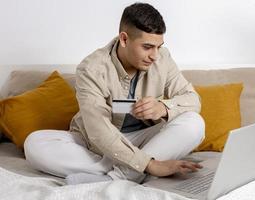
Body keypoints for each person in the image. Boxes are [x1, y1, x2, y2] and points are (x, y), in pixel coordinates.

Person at [24, 2, 205, 184]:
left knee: (194, 123)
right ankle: (135, 172)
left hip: (146, 141)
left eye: (159, 46)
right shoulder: (91, 68)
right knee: (34, 144)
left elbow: (192, 99)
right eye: (147, 47)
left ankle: (113, 179)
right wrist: (150, 165)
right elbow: (98, 130)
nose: (155, 55)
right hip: (96, 144)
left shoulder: (163, 58)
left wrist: (163, 108)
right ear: (124, 39)